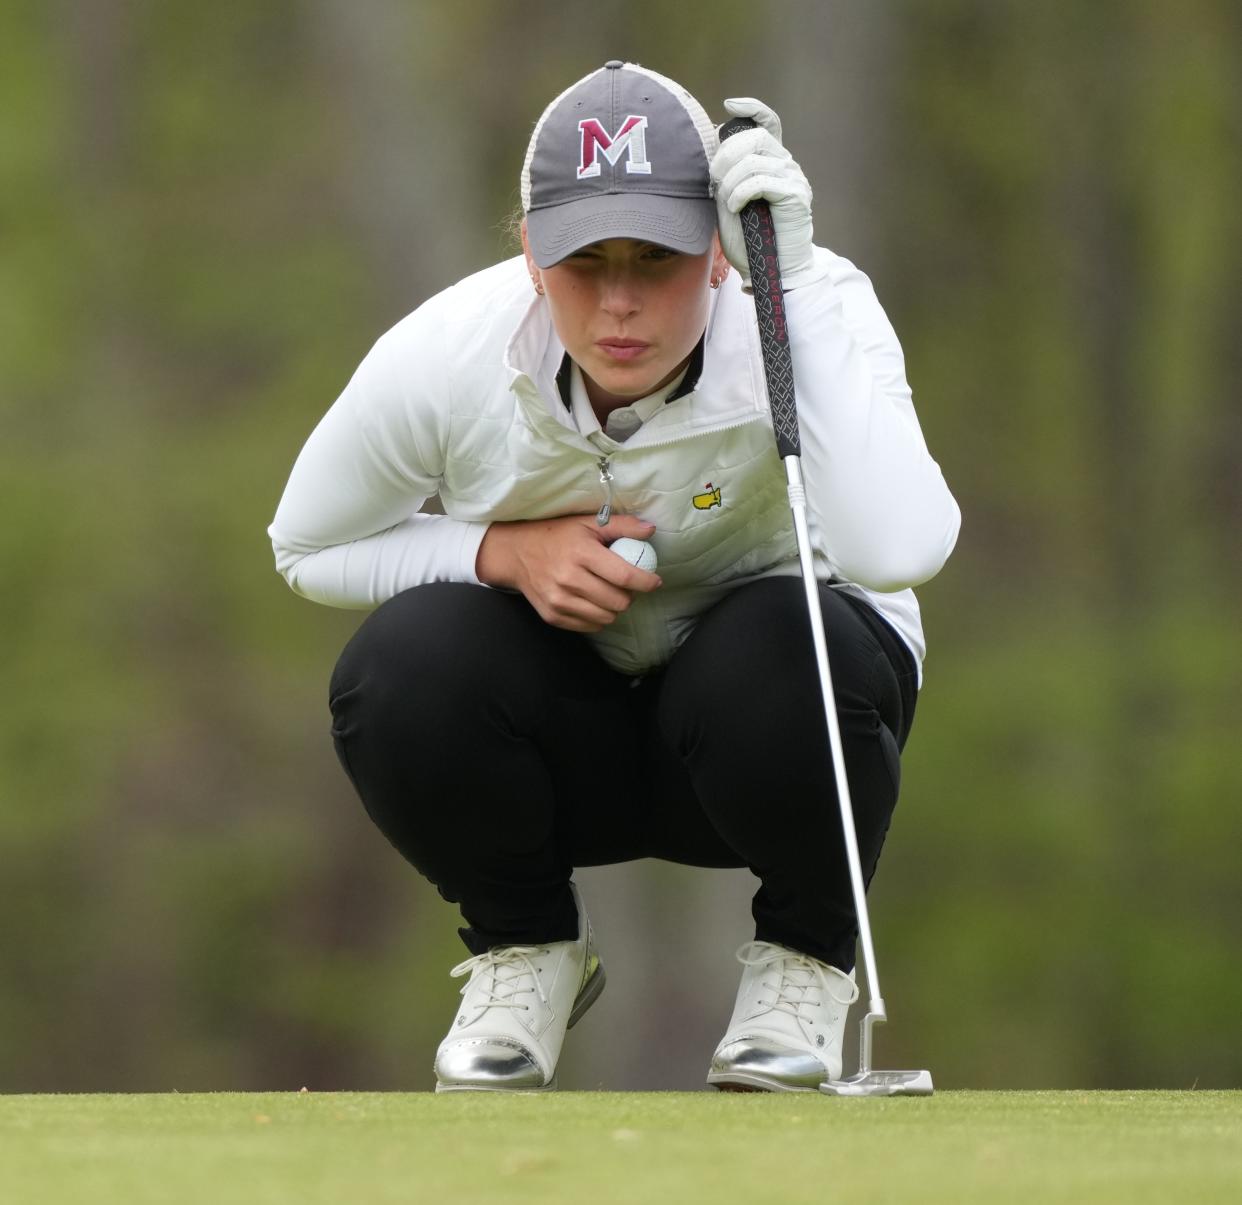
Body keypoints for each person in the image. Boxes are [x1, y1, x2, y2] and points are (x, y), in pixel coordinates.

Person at [268, 61, 959, 1093]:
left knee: (780, 642)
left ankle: (805, 967)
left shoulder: (809, 306)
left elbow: (901, 550)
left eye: (660, 256)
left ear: (719, 254)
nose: (622, 301)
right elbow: (304, 547)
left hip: (773, 746)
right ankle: (527, 951)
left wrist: (797, 281)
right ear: (530, 254)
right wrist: (499, 552)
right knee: (404, 660)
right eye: (586, 261)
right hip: (562, 749)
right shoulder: (453, 353)